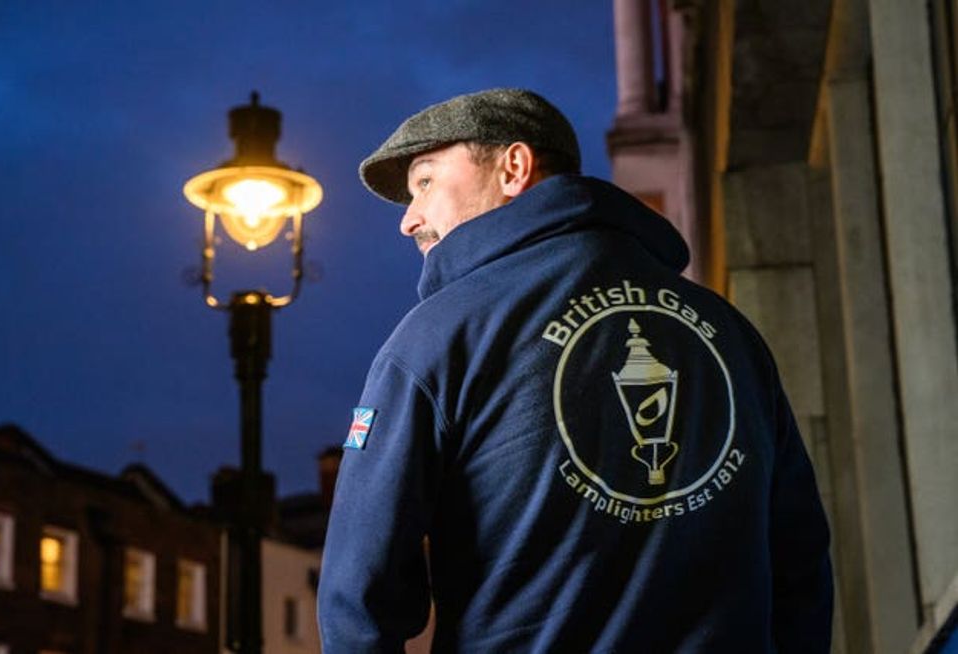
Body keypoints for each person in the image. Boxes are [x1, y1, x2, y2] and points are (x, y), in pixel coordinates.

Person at [317, 88, 833, 653]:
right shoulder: (728, 332)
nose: (408, 220)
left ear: (513, 167)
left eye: (425, 181)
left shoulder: (437, 339)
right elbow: (800, 562)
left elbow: (359, 598)